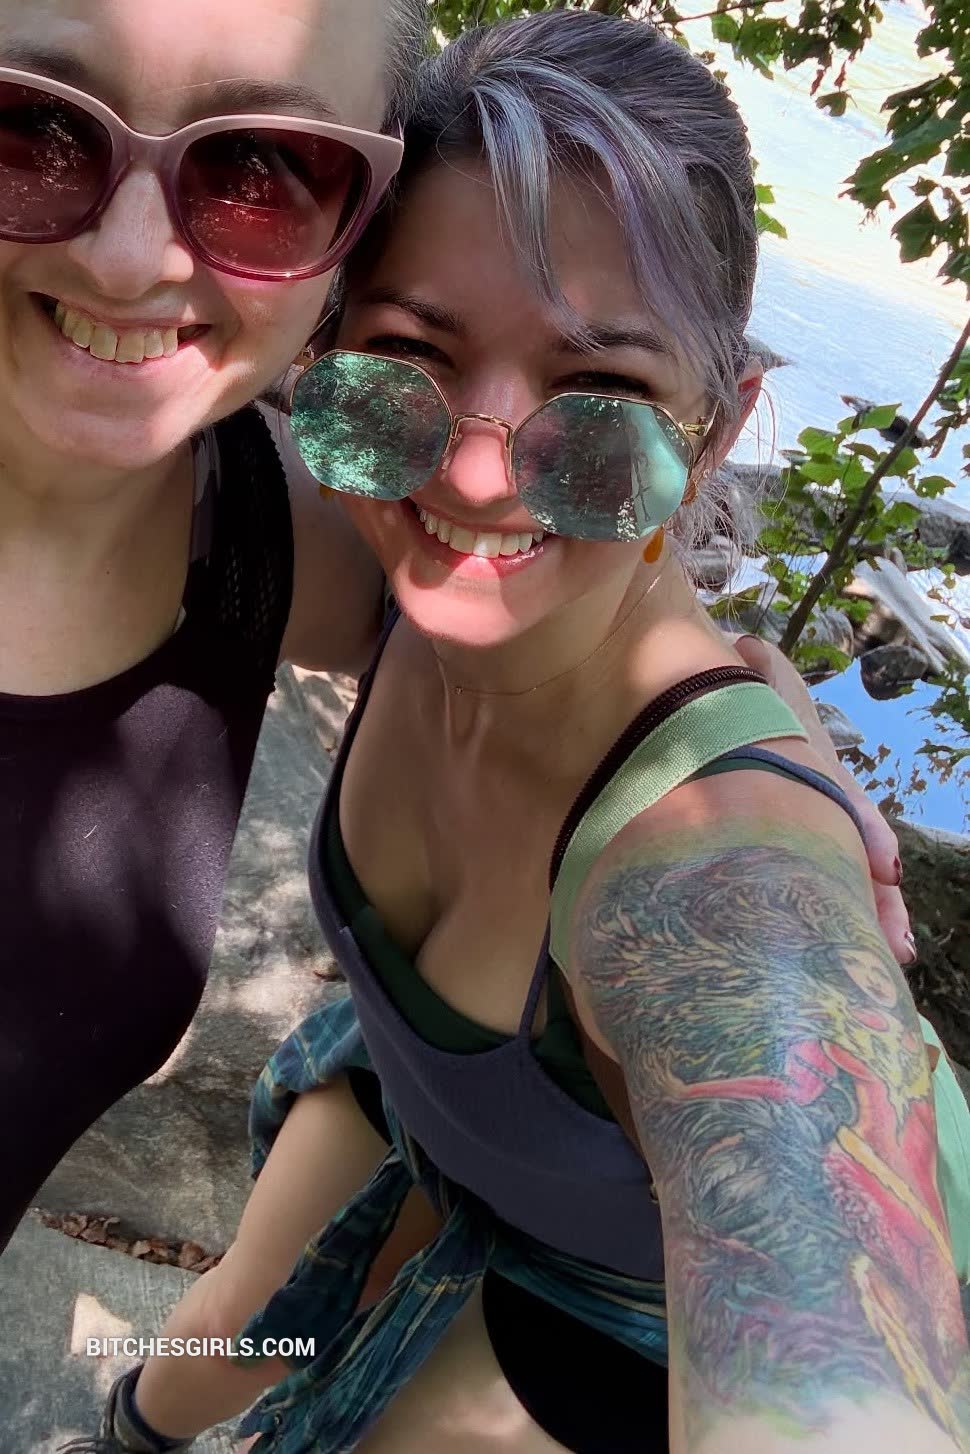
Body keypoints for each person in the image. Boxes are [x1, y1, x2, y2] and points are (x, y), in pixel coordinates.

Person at [67, 11, 970, 1454]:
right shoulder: (383, 567)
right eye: (410, 356)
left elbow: (833, 1343)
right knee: (241, 1321)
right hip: (429, 1103)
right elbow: (63, 445)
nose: (480, 472)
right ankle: (132, 1428)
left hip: (625, 1303)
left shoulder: (726, 876)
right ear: (328, 347)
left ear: (717, 422)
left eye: (599, 393)